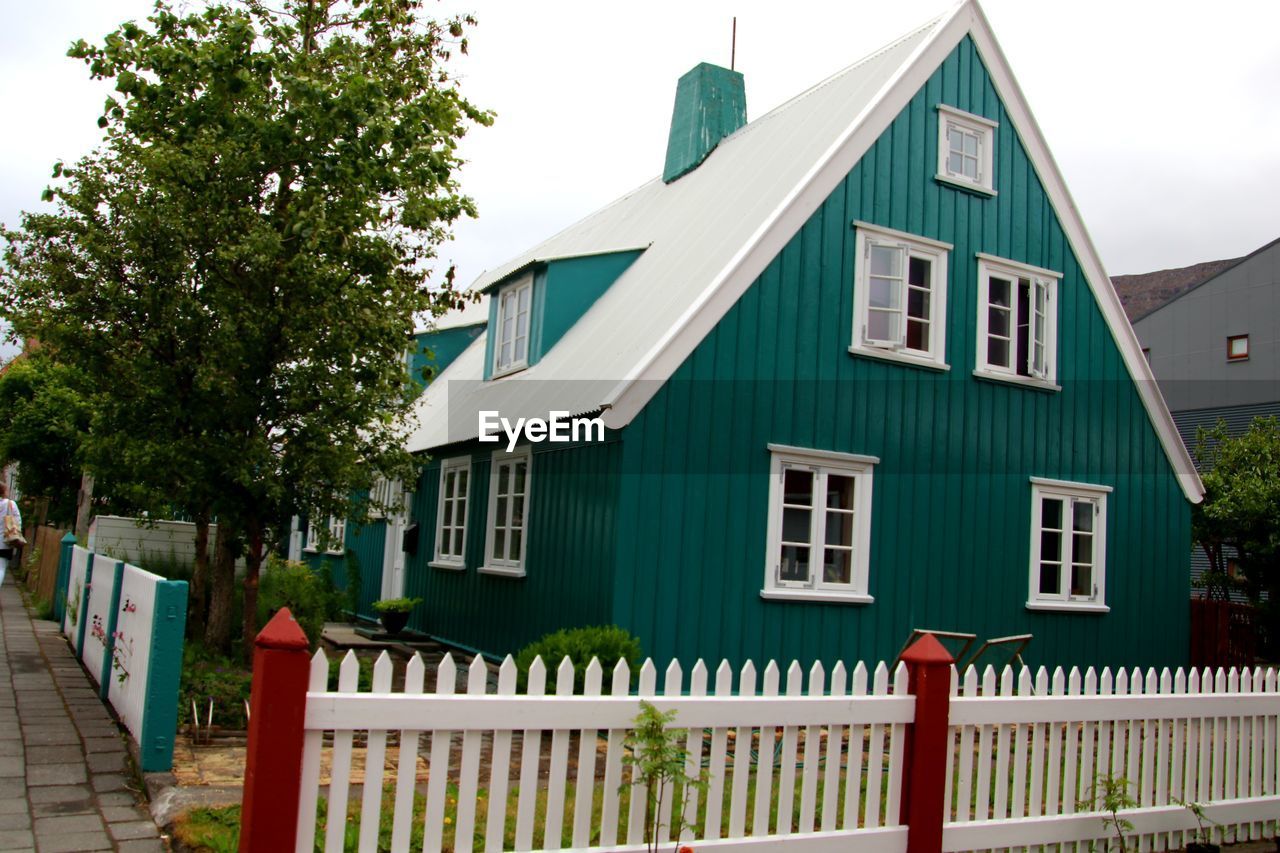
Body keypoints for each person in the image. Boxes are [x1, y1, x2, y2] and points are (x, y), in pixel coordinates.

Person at [0, 484, 21, 586]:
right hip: (5, 541)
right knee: (1, 567)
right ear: (4, 491)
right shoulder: (10, 504)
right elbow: (18, 521)